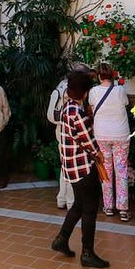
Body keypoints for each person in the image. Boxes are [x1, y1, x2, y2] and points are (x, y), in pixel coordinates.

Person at [51, 69, 109, 269]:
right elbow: (88, 141)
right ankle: (87, 253)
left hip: (70, 166)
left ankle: (62, 239)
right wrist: (99, 155)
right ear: (84, 91)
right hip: (83, 167)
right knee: (90, 209)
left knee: (78, 204)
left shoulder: (67, 107)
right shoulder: (77, 112)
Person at [88, 61, 131, 220]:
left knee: (105, 170)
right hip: (121, 135)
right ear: (112, 75)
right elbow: (126, 103)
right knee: (121, 170)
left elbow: (92, 106)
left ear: (99, 76)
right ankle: (123, 209)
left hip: (101, 135)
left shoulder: (93, 91)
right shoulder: (120, 90)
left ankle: (108, 206)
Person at [46, 72, 75, 210]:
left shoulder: (58, 89)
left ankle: (61, 198)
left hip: (60, 130)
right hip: (71, 131)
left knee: (64, 165)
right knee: (71, 167)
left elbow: (50, 115)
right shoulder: (73, 89)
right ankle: (70, 201)